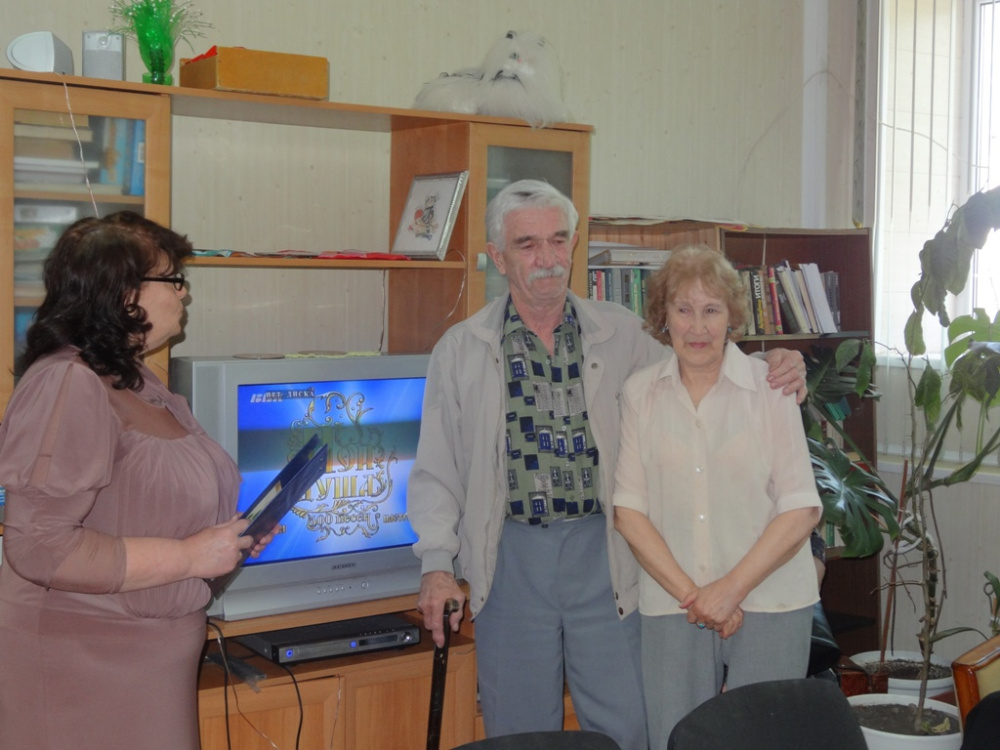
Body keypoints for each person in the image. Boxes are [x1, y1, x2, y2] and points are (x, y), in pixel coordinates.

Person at [408, 180, 807, 749]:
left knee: (626, 724)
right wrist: (436, 565)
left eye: (558, 240)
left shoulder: (620, 331)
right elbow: (436, 469)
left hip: (607, 553)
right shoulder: (460, 349)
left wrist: (772, 363)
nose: (547, 258)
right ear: (498, 256)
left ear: (574, 245)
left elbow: (698, 362)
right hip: (509, 555)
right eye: (526, 245)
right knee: (520, 730)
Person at [0, 212, 267, 750]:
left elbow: (142, 503)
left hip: (145, 662)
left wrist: (228, 541)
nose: (183, 293)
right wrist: (189, 556)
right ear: (125, 293)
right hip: (85, 666)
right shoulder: (68, 382)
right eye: (173, 279)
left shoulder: (137, 378)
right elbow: (39, 545)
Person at [612, 244, 822, 747]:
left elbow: (800, 508)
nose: (698, 327)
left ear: (732, 317)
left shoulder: (771, 386)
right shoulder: (640, 393)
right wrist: (696, 596)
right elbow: (628, 512)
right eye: (683, 310)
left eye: (711, 310)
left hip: (772, 600)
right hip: (674, 603)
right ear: (664, 316)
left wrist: (728, 591)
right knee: (676, 738)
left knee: (761, 741)